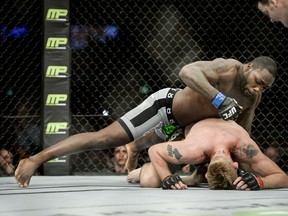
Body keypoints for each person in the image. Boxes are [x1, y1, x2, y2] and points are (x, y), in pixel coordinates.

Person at [15, 56, 277, 188]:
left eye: (264, 88)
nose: (258, 90)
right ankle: (35, 160)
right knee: (106, 138)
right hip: (166, 108)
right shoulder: (227, 68)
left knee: (184, 172)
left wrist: (243, 162)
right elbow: (186, 72)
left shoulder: (251, 100)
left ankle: (136, 148)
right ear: (248, 66)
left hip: (187, 130)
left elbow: (244, 132)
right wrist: (218, 99)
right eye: (258, 82)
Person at [128, 118, 288, 190]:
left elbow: (283, 178)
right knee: (148, 180)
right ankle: (144, 168)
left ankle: (194, 178)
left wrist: (260, 182)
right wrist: (166, 178)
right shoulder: (194, 150)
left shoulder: (244, 148)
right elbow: (154, 150)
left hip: (216, 130)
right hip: (184, 128)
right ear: (235, 164)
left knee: (248, 178)